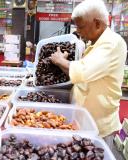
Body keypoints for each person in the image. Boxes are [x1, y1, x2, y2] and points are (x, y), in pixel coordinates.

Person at [50, 0, 127, 159]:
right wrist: (64, 63)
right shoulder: (94, 43)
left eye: (80, 26)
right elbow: (80, 71)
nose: (77, 31)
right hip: (84, 120)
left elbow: (83, 71)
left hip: (99, 126)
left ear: (97, 24)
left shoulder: (112, 43)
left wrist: (59, 60)